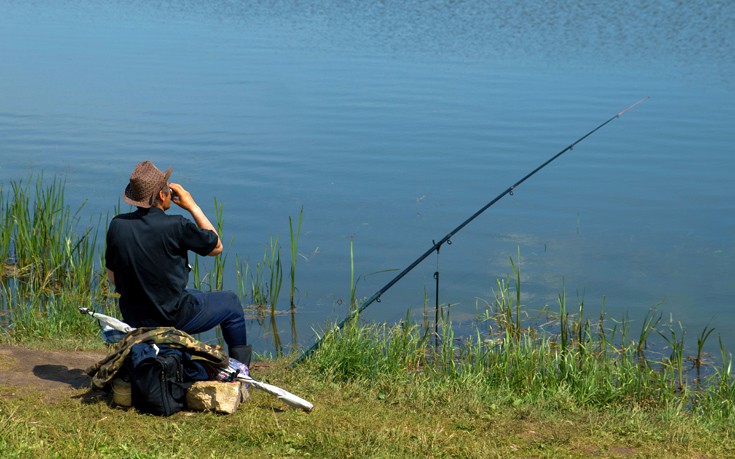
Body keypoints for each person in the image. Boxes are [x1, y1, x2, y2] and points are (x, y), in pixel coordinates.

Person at [105, 160, 251, 366]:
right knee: (231, 304)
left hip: (134, 317)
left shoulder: (117, 225)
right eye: (166, 188)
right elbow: (216, 247)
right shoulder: (177, 225)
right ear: (163, 195)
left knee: (197, 295)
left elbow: (113, 278)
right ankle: (241, 372)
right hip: (171, 317)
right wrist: (192, 205)